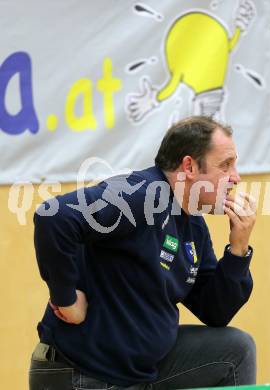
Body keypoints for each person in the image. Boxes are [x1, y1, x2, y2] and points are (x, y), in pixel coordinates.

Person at [29, 116, 257, 390]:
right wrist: (66, 299)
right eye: (225, 165)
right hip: (86, 372)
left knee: (236, 350)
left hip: (140, 370)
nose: (236, 177)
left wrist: (238, 250)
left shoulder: (193, 224)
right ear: (190, 166)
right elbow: (54, 217)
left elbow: (215, 311)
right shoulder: (139, 193)